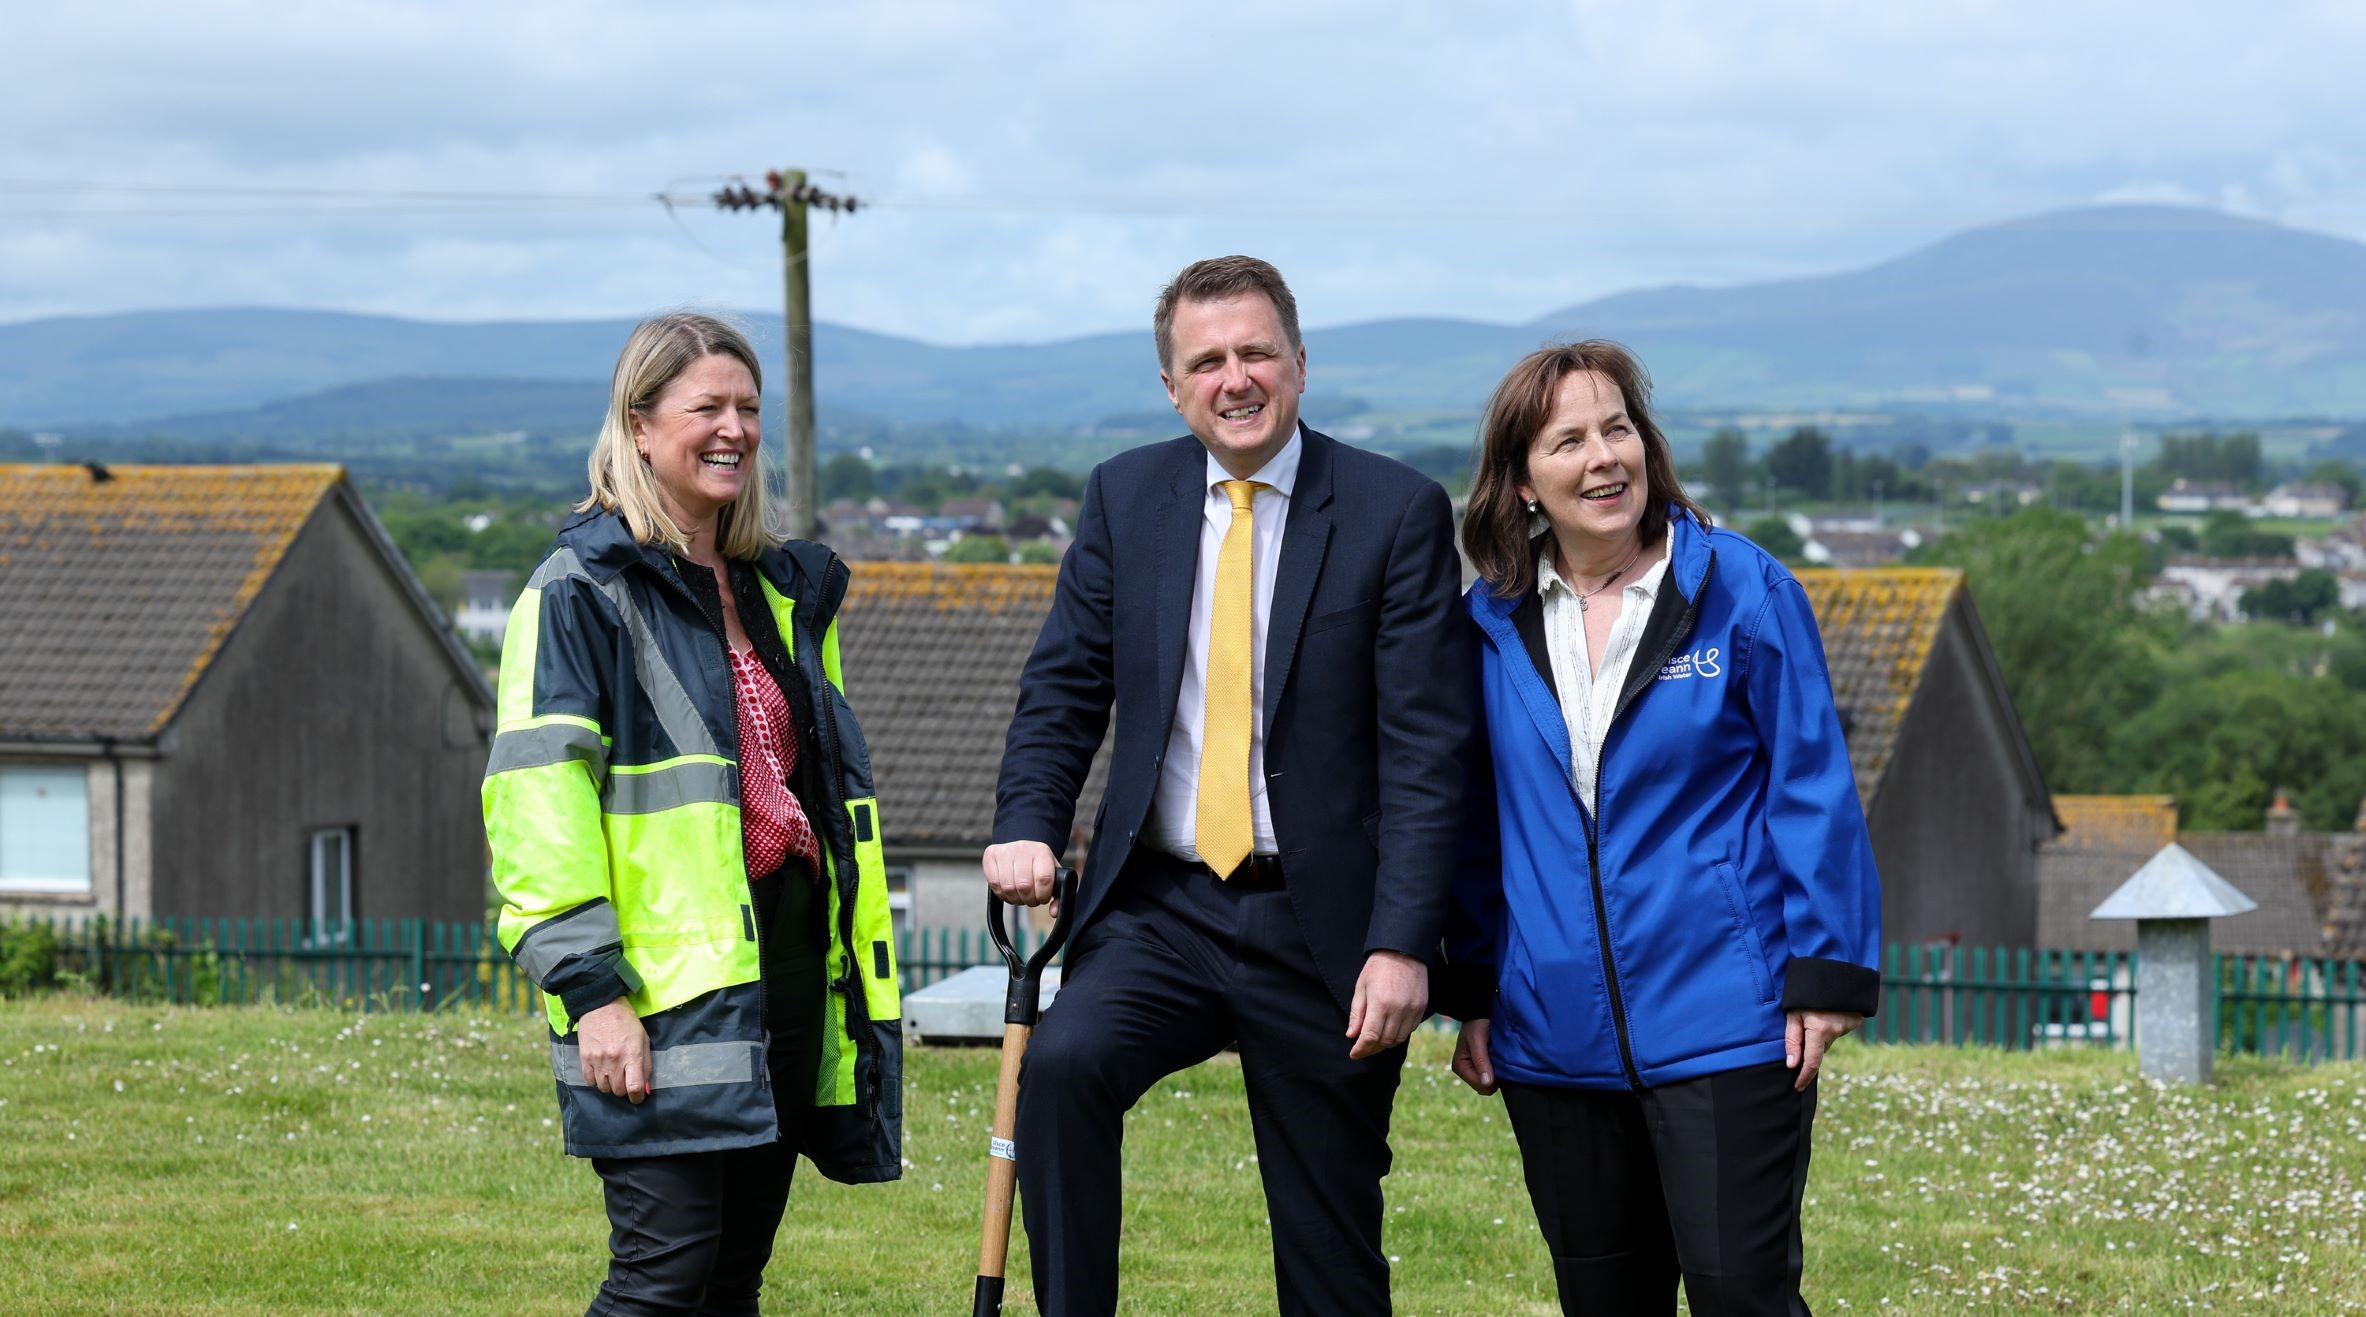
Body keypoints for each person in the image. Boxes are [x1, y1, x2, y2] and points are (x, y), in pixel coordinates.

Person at [984, 256, 1470, 1316]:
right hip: (1161, 910)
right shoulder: (1127, 496)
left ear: (1299, 363)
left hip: (1323, 922)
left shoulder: (1395, 512)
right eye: (1205, 361)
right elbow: (1063, 686)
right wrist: (1025, 821)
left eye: (1254, 351)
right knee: (1059, 1072)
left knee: (1326, 1236)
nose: (1233, 378)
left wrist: (1399, 943)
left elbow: (1430, 753)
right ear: (1172, 387)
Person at [1441, 341, 1881, 1317]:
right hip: (1548, 1037)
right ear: (1520, 483)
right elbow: (1476, 827)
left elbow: (1810, 785)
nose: (1602, 458)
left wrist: (1826, 970)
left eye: (1616, 428)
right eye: (1567, 441)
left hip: (1729, 1022)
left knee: (1740, 1298)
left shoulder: (1742, 587)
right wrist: (1471, 985)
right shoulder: (1485, 624)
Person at [483, 312, 903, 1317]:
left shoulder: (782, 588)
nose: (734, 429)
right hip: (660, 991)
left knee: (730, 1279)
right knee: (663, 1273)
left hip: (789, 972)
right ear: (637, 424)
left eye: (748, 408)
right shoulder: (578, 592)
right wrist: (591, 993)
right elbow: (538, 809)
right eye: (705, 407)